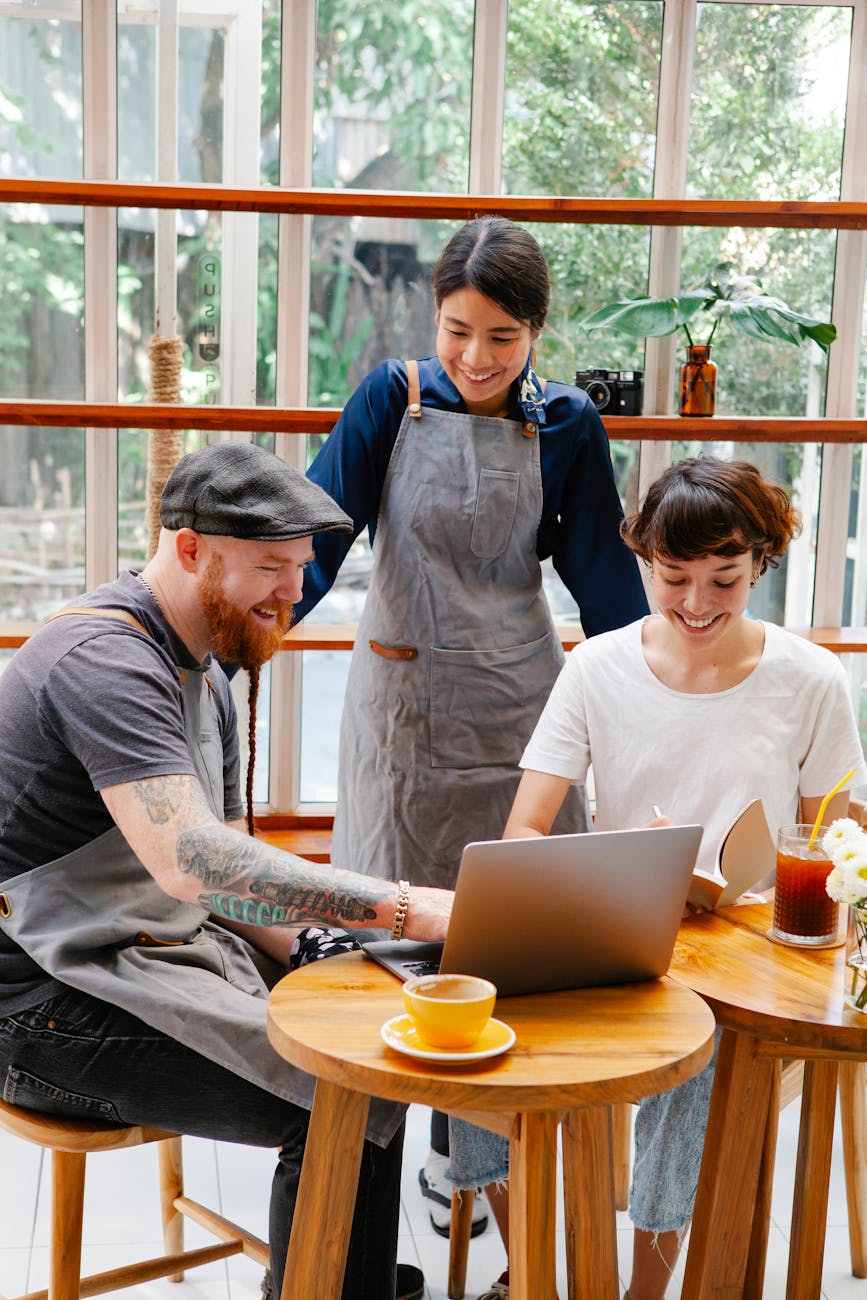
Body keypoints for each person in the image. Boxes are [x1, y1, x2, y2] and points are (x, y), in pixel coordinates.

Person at [0, 442, 453, 1300]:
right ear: (188, 548)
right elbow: (193, 861)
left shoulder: (206, 670)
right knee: (342, 1097)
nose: (293, 592)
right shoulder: (104, 660)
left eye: (301, 567)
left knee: (374, 1052)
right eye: (270, 568)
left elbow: (234, 880)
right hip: (37, 1009)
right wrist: (405, 910)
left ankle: (334, 1272)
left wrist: (318, 950)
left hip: (134, 961)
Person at [294, 215, 649, 1229]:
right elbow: (319, 538)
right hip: (404, 712)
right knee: (393, 926)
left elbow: (603, 585)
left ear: (536, 329)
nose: (477, 357)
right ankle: (370, 1154)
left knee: (511, 934)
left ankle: (472, 1157)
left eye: (502, 336)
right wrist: (248, 629)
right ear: (433, 317)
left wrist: (659, 683)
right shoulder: (391, 401)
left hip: (519, 704)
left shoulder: (568, 424)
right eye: (458, 329)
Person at [446, 454, 867, 1300]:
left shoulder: (810, 679)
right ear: (641, 557)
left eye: (725, 578)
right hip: (621, 927)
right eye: (674, 578)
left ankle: (643, 1285)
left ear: (759, 564)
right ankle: (523, 1267)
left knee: (698, 1052)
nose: (698, 604)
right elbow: (526, 825)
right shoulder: (596, 666)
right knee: (462, 1014)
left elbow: (839, 837)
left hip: (752, 945)